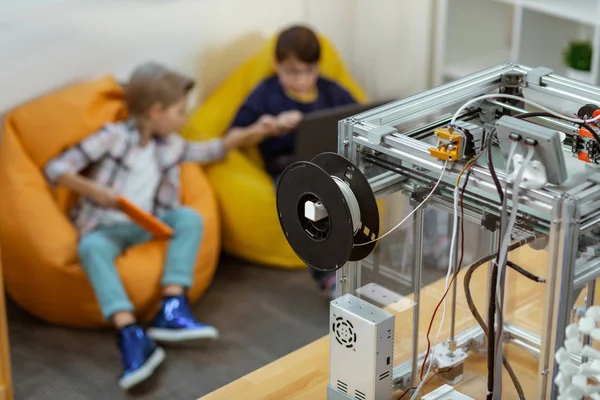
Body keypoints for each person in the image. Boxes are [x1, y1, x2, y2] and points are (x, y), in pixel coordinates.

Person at [43, 62, 280, 390]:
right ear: (156, 111)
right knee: (90, 248)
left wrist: (253, 132)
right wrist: (95, 191)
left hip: (148, 223)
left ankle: (171, 305)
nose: (184, 119)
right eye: (180, 111)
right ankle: (130, 333)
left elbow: (211, 150)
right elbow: (56, 169)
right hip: (107, 227)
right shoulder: (113, 137)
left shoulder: (169, 145)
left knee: (189, 217)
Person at [227, 25, 358, 299]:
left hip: (328, 162)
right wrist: (264, 128)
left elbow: (359, 117)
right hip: (289, 169)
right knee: (309, 205)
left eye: (309, 72)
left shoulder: (330, 91)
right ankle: (328, 276)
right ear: (276, 65)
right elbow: (232, 136)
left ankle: (352, 264)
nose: (301, 80)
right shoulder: (265, 93)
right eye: (292, 72)